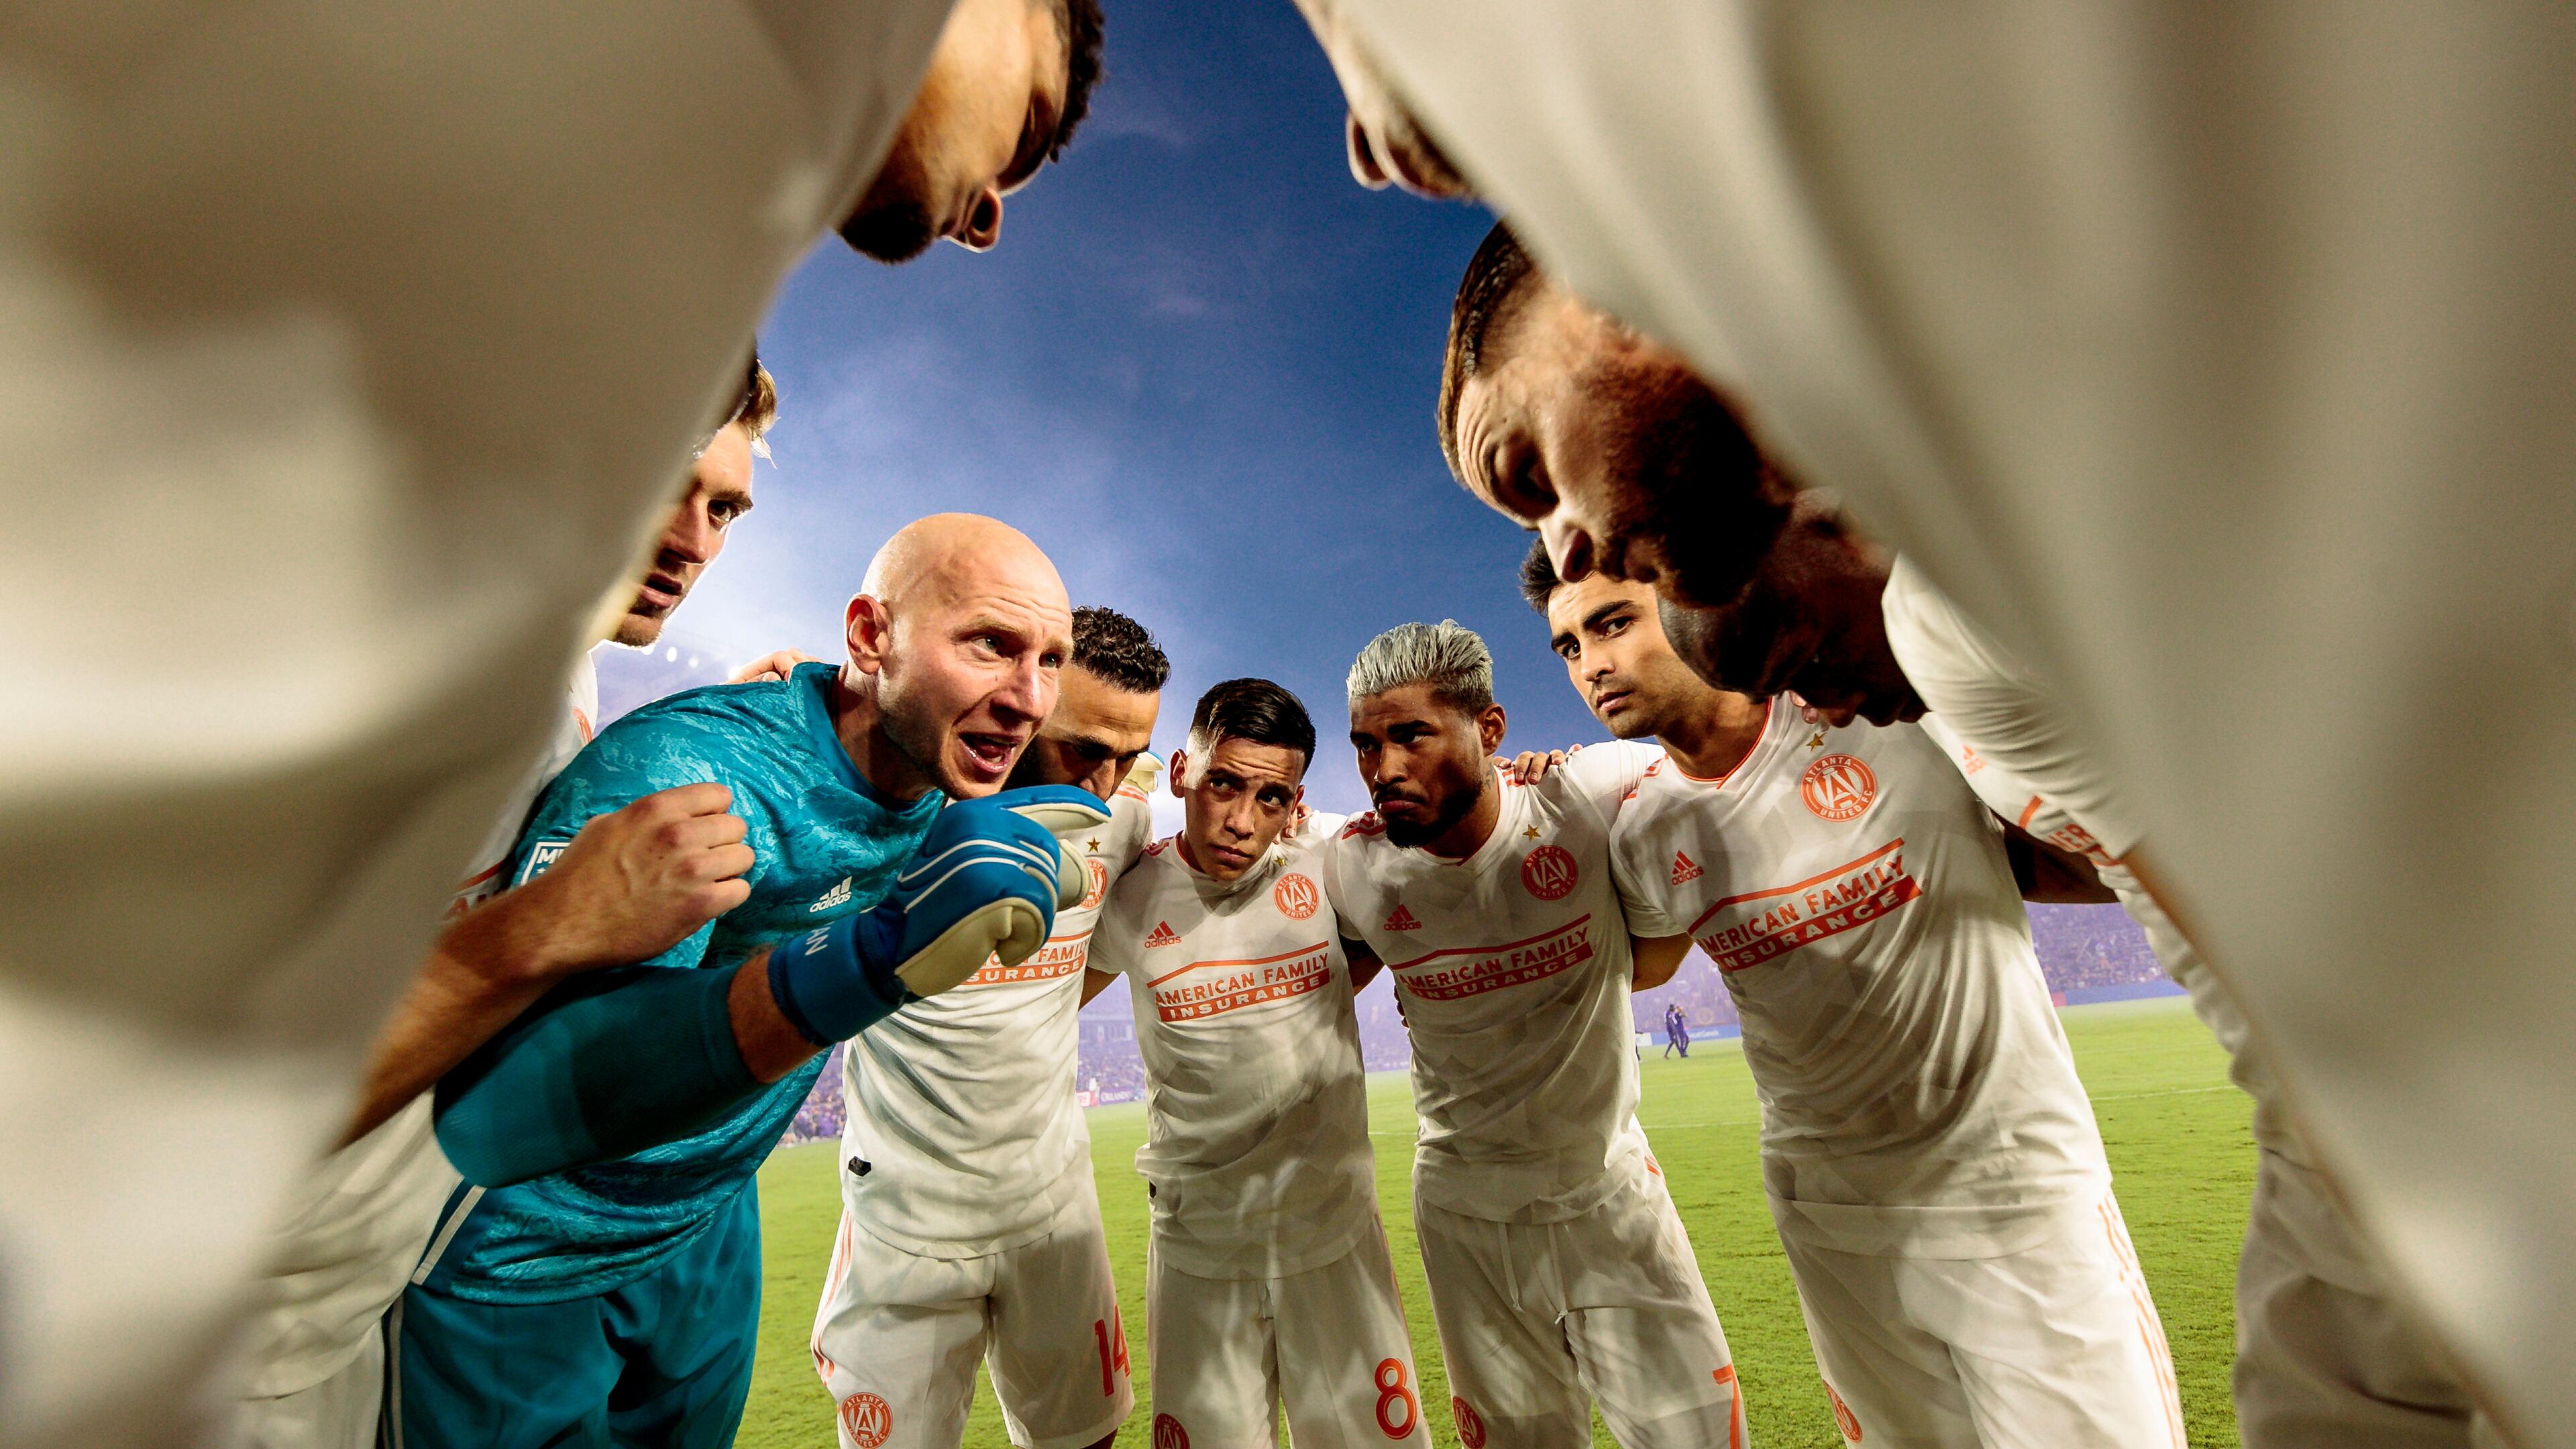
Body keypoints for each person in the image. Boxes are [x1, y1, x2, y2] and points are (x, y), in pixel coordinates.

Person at [9, 5, 1109, 1441]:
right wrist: (819, 962)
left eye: (727, 506)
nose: (989, 220)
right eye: (1021, 131)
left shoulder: (550, 676)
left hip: (515, 1254)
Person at [1436, 227, 2495, 1447]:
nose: (1568, 544)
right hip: (1857, 1217)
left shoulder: (1978, 578)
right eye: (1570, 636)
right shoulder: (1823, 714)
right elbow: (2107, 848)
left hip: (2122, 1177)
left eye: (1534, 471)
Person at [392, 514, 1100, 1448]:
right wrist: (863, 964)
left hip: (707, 1223)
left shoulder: (936, 779)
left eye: (1050, 660)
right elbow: (531, 1084)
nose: (1028, 697)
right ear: (869, 635)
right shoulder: (692, 772)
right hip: (526, 1250)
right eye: (990, 647)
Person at [225, 356, 777, 1449]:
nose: (697, 542)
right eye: (666, 480)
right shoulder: (390, 683)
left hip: (341, 1324)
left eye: (724, 507)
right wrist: (549, 925)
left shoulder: (561, 687)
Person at [1529, 547, 2187, 1448]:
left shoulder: (1873, 715)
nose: (1593, 665)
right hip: (1834, 1221)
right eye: (1568, 646)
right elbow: (1642, 963)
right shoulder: (1646, 828)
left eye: (1614, 623)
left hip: (2010, 1190)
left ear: (1692, 603)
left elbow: (2067, 849)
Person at [1320, 621, 1746, 1449]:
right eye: (1366, 745)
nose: (1385, 770)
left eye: (1412, 735)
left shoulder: (1589, 794)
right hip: (1464, 1217)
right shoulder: (1348, 867)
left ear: (1490, 730)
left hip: (1609, 1201)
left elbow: (1655, 949)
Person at [808, 605, 1167, 1449]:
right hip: (905, 1214)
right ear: (1027, 703)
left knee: (1085, 1438)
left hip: (1052, 1199)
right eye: (1085, 750)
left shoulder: (1120, 820)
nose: (1105, 785)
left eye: (1128, 756)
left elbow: (1107, 935)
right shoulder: (890, 818)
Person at [1089, 678, 1434, 1449]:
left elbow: (1449, 853)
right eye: (1224, 784)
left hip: (1334, 1241)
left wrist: (1527, 775)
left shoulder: (1329, 857)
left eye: (1271, 798)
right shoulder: (1130, 893)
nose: (1243, 821)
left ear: (1297, 802)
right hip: (1198, 1254)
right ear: (1183, 769)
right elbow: (1045, 1001)